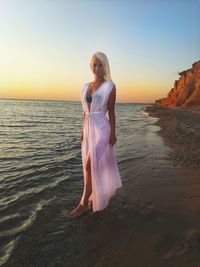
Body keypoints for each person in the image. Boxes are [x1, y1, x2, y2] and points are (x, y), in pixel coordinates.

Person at [70, 52, 122, 217]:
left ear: (105, 66)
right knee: (90, 168)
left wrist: (113, 134)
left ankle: (83, 203)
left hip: (102, 130)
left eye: (100, 64)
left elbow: (112, 112)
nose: (97, 68)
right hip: (88, 129)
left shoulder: (110, 86)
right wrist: (82, 131)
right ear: (91, 66)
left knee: (89, 164)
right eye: (94, 64)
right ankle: (95, 196)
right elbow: (85, 112)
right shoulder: (86, 86)